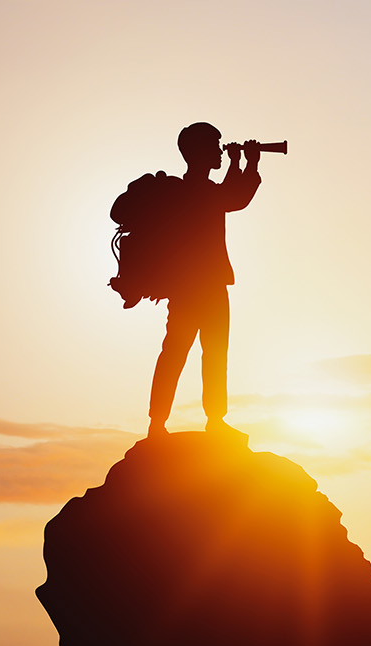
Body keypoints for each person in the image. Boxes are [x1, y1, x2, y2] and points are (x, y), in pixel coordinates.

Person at [147, 122, 262, 437]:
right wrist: (248, 163)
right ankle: (168, 421)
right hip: (200, 286)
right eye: (215, 145)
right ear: (198, 152)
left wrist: (241, 163)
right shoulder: (193, 191)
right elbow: (233, 198)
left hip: (198, 286)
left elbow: (228, 195)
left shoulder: (192, 190)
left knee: (197, 351)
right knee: (186, 351)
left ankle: (181, 421)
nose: (220, 151)